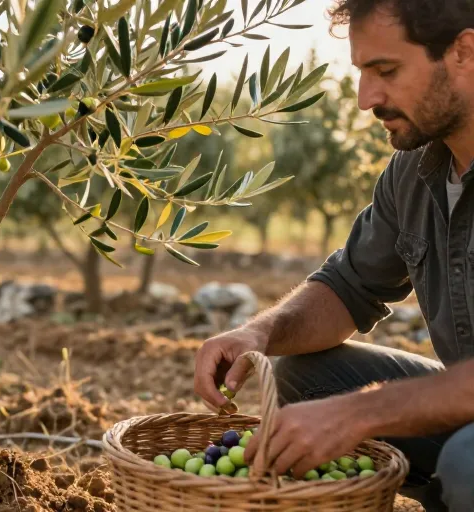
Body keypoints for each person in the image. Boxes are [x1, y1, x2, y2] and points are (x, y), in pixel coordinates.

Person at [193, 0, 474, 510]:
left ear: (465, 51)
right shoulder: (413, 172)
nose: (367, 98)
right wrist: (260, 332)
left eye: (385, 70)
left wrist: (359, 414)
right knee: (305, 376)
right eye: (363, 72)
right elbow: (348, 288)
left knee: (467, 463)